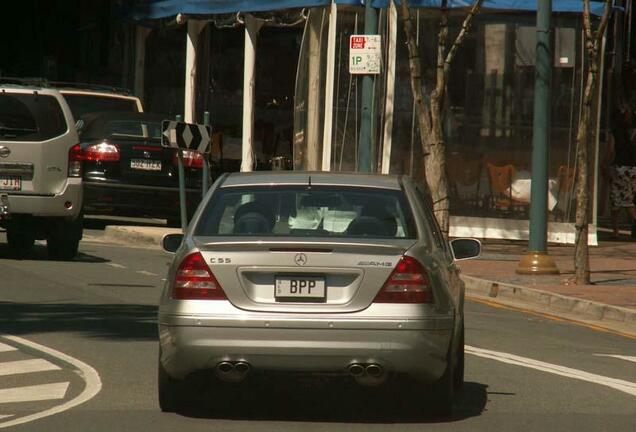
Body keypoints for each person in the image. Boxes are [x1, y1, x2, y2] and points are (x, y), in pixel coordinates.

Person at [605, 102, 636, 238]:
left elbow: (611, 151)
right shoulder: (633, 131)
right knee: (629, 199)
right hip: (633, 169)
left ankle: (616, 230)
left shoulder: (615, 132)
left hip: (620, 168)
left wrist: (606, 164)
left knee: (618, 201)